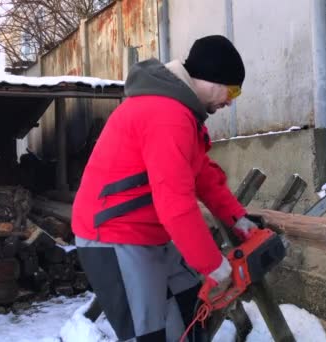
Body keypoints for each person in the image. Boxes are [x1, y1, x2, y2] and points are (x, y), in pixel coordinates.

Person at [71, 35, 258, 342]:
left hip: (145, 231)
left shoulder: (181, 112)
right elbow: (176, 205)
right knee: (148, 333)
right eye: (232, 90)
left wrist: (236, 217)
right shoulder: (167, 116)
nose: (231, 101)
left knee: (190, 307)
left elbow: (201, 175)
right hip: (114, 234)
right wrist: (214, 265)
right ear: (211, 81)